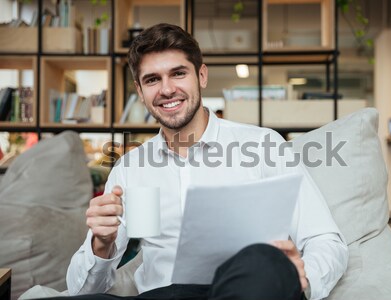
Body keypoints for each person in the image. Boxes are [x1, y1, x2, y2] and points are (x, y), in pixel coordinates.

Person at [63, 23, 348, 300]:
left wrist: (302, 277)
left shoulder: (264, 146)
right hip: (163, 295)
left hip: (248, 289)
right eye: (152, 79)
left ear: (201, 76)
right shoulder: (130, 169)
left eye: (178, 73)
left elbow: (325, 240)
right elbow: (84, 290)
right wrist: (101, 244)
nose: (166, 89)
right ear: (140, 91)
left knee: (266, 258)